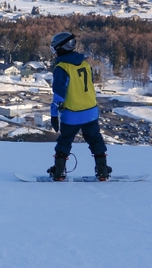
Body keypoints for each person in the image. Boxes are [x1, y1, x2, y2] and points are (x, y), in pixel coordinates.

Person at [47, 32, 111, 181]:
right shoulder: (85, 64)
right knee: (96, 140)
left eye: (54, 49)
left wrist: (54, 114)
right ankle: (102, 170)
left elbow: (58, 95)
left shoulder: (61, 68)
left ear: (61, 48)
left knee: (65, 141)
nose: (54, 52)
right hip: (91, 112)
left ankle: (59, 171)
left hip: (72, 114)